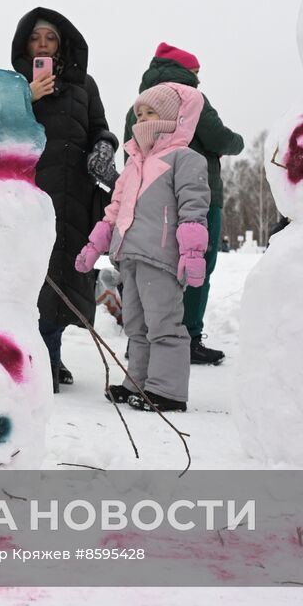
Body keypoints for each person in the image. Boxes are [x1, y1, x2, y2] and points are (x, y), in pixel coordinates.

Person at [76, 83, 210, 412]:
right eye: (140, 113)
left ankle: (167, 390)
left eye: (152, 112)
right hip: (130, 256)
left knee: (164, 323)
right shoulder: (134, 165)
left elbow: (194, 208)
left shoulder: (185, 158)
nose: (144, 119)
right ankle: (138, 381)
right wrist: (96, 245)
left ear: (172, 117)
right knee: (136, 325)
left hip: (161, 257)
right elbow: (114, 210)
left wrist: (192, 253)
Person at [11, 7, 119, 393]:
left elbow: (100, 129)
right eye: (36, 38)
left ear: (63, 43)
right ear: (25, 43)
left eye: (50, 38)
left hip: (73, 192)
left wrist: (103, 149)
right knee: (32, 278)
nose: (43, 44)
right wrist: (26, 97)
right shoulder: (11, 84)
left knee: (66, 273)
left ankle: (50, 354)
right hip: (28, 194)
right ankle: (37, 361)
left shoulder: (84, 85)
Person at [122, 44, 244, 365]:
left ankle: (144, 340)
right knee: (196, 266)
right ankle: (188, 338)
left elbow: (130, 154)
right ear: (187, 72)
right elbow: (222, 139)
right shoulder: (191, 100)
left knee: (153, 267)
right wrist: (235, 143)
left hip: (148, 201)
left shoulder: (139, 106)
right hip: (198, 197)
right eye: (196, 74)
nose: (198, 81)